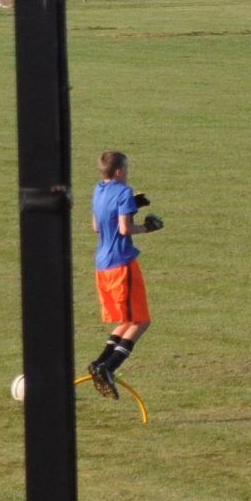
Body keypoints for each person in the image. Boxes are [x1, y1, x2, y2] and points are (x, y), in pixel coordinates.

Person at [86, 150, 162, 396]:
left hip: (102, 266)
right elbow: (124, 227)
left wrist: (131, 207)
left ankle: (99, 363)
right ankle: (109, 367)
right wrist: (148, 228)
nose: (128, 173)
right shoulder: (123, 192)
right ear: (118, 171)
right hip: (122, 266)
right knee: (141, 321)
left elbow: (97, 226)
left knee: (128, 320)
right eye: (126, 169)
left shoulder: (98, 190)